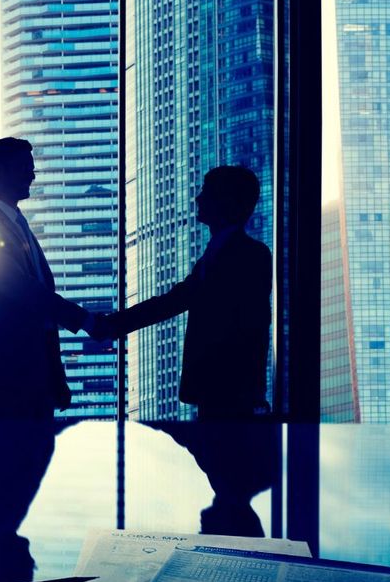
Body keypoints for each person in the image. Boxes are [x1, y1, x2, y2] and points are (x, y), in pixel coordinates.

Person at [0, 136, 90, 582]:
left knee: (27, 455)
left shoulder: (15, 226)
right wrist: (84, 319)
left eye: (31, 166)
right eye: (24, 166)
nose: (32, 173)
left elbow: (34, 306)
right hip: (9, 376)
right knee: (11, 461)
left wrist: (56, 375)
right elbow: (24, 295)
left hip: (27, 377)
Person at [92, 165, 272, 420]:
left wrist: (111, 325)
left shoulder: (248, 254)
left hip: (229, 391)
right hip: (224, 391)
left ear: (227, 202)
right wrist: (113, 324)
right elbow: (178, 299)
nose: (199, 198)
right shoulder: (218, 255)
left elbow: (180, 302)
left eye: (207, 192)